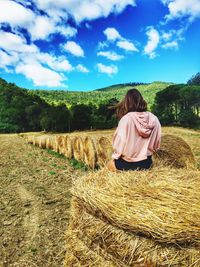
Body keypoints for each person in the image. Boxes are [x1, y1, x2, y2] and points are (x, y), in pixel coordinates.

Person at [106, 88, 161, 172]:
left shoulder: (126, 119)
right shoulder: (154, 118)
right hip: (147, 163)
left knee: (108, 165)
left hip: (126, 164)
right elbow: (157, 144)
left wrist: (114, 158)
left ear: (126, 103)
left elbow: (119, 144)